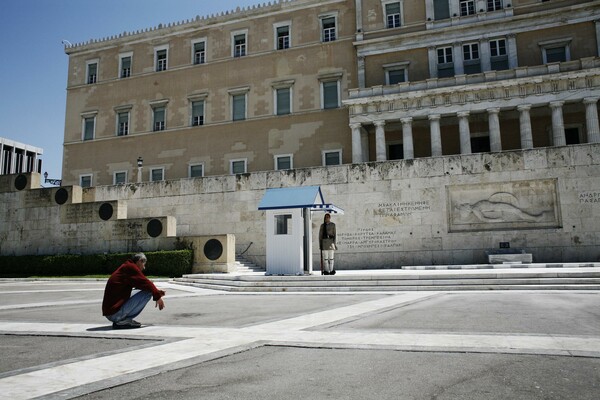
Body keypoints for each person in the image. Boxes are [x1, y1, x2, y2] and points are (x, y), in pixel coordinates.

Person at [102, 253, 165, 329]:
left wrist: (156, 292)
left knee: (148, 289)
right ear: (140, 261)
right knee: (148, 292)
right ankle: (122, 320)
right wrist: (157, 296)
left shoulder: (126, 267)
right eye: (144, 264)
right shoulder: (131, 267)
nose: (144, 268)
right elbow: (147, 283)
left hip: (111, 313)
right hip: (115, 314)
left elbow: (142, 284)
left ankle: (122, 320)